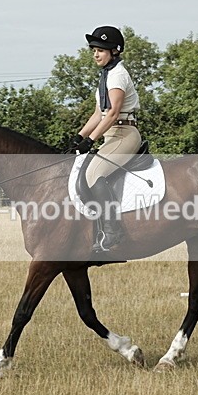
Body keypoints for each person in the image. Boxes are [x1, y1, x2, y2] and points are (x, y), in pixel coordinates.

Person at [67, 26, 141, 253]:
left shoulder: (118, 75)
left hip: (124, 134)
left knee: (93, 174)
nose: (96, 54)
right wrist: (79, 137)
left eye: (101, 50)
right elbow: (98, 114)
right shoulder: (107, 75)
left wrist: (90, 140)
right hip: (112, 134)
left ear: (115, 51)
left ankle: (113, 231)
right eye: (94, 50)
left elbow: (113, 113)